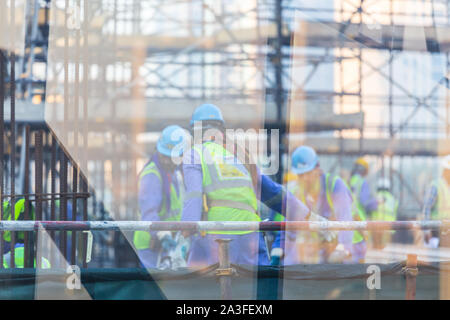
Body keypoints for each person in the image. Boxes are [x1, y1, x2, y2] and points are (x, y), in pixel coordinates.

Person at [181, 103, 336, 267]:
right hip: (251, 236)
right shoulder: (240, 155)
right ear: (222, 129)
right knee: (260, 286)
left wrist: (185, 232)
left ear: (195, 131)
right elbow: (274, 193)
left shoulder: (195, 153)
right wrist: (311, 218)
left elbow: (194, 197)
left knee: (202, 287)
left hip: (218, 237)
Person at [285, 146, 354, 264]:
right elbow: (291, 232)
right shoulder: (297, 192)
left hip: (339, 252)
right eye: (301, 175)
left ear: (317, 168)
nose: (305, 178)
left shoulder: (334, 186)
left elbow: (346, 223)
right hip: (315, 254)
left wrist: (341, 250)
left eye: (308, 173)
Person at [133, 125, 189, 268]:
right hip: (154, 244)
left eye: (171, 157)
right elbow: (149, 213)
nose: (167, 161)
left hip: (168, 242)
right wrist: (163, 236)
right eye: (164, 156)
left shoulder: (173, 174)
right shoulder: (152, 175)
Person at [349, 157, 378, 262]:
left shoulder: (349, 181)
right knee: (360, 258)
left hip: (347, 222)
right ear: (365, 171)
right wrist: (376, 203)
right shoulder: (362, 182)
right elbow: (365, 202)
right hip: (359, 223)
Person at [421, 155, 450, 248]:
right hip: (435, 232)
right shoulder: (436, 185)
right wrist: (426, 230)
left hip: (447, 232)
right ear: (446, 171)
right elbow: (427, 208)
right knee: (434, 260)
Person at [371, 178, 398, 249]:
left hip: (377, 226)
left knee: (376, 249)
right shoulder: (392, 198)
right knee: (384, 249)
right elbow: (394, 213)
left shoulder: (376, 196)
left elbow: (370, 209)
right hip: (389, 227)